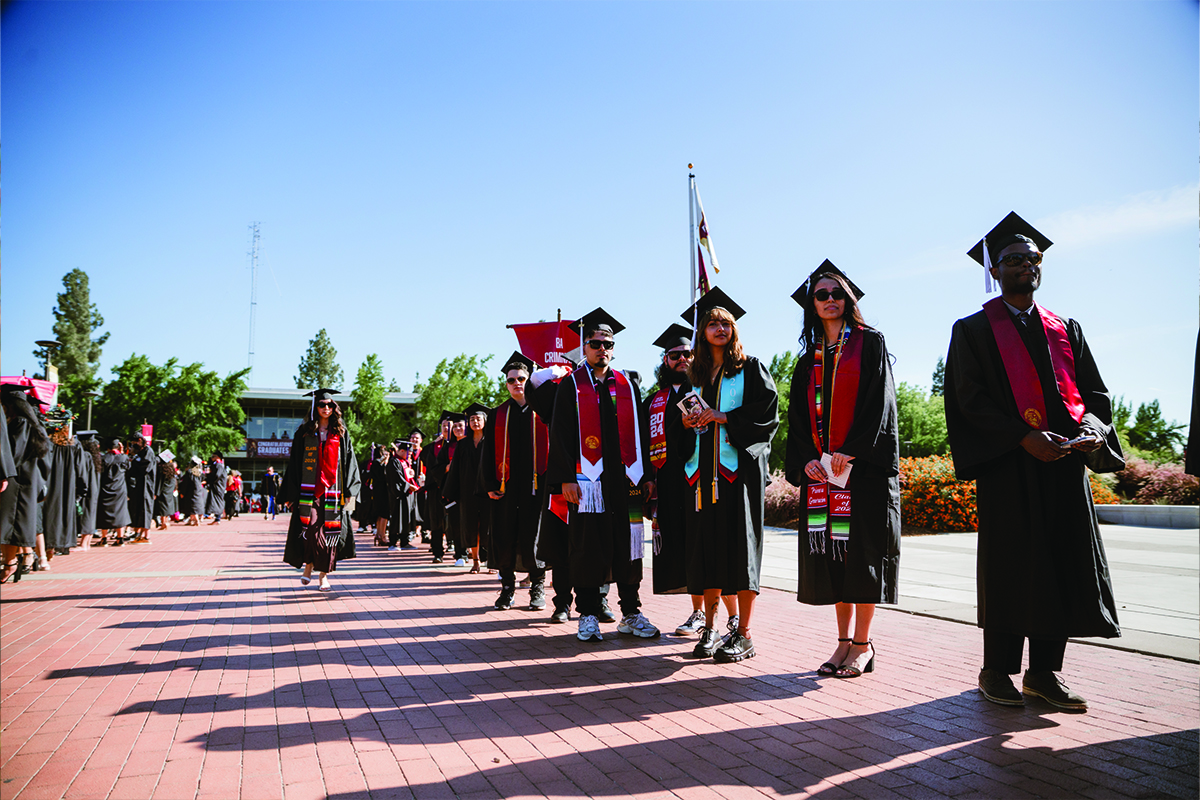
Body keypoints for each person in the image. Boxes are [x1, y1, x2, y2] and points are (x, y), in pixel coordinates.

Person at [945, 212, 1123, 711]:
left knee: (1062, 561)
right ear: (994, 270)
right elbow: (968, 400)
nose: (1026, 264)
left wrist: (1093, 428)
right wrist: (1023, 438)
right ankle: (996, 670)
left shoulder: (1066, 328)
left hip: (1063, 465)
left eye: (1033, 258)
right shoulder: (974, 330)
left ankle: (1044, 673)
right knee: (1011, 566)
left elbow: (1094, 393)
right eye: (1014, 259)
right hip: (1010, 466)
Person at [785, 262, 900, 678]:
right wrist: (808, 460)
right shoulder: (806, 362)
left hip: (861, 472)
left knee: (861, 557)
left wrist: (850, 452)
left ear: (848, 300)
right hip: (823, 477)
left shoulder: (870, 344)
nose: (830, 299)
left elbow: (880, 403)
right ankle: (841, 644)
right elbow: (797, 421)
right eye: (822, 295)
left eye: (837, 293)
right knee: (835, 558)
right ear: (812, 306)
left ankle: (863, 644)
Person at [676, 289, 779, 662]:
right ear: (702, 332)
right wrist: (688, 423)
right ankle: (710, 628)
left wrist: (723, 417)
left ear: (734, 330)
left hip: (738, 479)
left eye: (725, 323)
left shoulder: (751, 368)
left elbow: (768, 415)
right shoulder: (697, 376)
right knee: (707, 555)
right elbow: (685, 429)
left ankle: (745, 633)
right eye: (712, 324)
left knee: (740, 555)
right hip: (702, 479)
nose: (719, 329)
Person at [546, 307, 659, 642]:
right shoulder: (571, 387)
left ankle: (631, 612)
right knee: (588, 546)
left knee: (628, 545)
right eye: (596, 343)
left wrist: (648, 474)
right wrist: (565, 477)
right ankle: (589, 614)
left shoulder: (627, 384)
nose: (602, 349)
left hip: (626, 481)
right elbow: (562, 434)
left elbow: (641, 433)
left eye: (608, 343)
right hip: (587, 482)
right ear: (584, 347)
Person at [644, 324, 740, 638]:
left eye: (687, 353)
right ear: (665, 360)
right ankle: (699, 613)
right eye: (674, 355)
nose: (682, 359)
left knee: (711, 546)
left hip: (702, 478)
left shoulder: (702, 386)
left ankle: (733, 616)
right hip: (669, 482)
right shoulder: (654, 399)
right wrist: (648, 477)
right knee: (688, 549)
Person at [481, 352, 549, 611]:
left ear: (529, 379)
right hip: (505, 488)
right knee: (505, 537)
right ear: (506, 384)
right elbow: (487, 455)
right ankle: (507, 588)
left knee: (535, 538)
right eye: (511, 380)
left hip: (536, 487)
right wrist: (489, 484)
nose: (517, 383)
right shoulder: (497, 415)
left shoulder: (542, 410)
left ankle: (537, 587)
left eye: (521, 378)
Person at [281, 388, 361, 592]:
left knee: (330, 532)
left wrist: (351, 491)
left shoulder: (341, 433)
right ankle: (309, 565)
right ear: (315, 407)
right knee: (311, 529)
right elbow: (295, 463)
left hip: (333, 491)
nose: (326, 408)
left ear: (334, 408)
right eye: (322, 405)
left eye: (330, 405)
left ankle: (323, 575)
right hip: (310, 490)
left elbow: (350, 462)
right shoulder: (304, 432)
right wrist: (291, 494)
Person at [0, 385, 51, 580]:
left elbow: (15, 452)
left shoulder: (20, 422)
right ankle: (14, 562)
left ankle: (9, 564)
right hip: (25, 479)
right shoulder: (30, 422)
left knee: (10, 525)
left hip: (17, 480)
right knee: (11, 526)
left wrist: (4, 470)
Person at [442, 403, 491, 572]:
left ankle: (491, 561)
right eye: (472, 419)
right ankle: (476, 561)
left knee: (489, 526)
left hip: (488, 491)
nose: (475, 422)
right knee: (471, 527)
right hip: (467, 492)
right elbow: (454, 470)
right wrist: (450, 492)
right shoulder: (463, 445)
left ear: (485, 420)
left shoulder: (491, 442)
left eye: (478, 418)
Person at [421, 413, 454, 563]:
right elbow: (427, 462)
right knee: (436, 522)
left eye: (449, 425)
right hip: (436, 488)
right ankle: (437, 552)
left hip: (453, 488)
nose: (446, 428)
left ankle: (458, 549)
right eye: (444, 426)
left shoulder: (458, 444)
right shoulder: (434, 447)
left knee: (454, 521)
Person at [439, 414, 468, 566]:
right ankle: (460, 554)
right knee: (456, 523)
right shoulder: (447, 448)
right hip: (455, 491)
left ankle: (481, 554)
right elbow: (436, 469)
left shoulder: (475, 443)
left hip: (472, 490)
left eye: (460, 426)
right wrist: (446, 468)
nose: (457, 429)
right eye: (454, 426)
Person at [95, 437, 131, 547]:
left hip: (105, 489)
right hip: (119, 489)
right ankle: (120, 538)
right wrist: (123, 451)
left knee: (104, 513)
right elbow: (129, 468)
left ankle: (104, 539)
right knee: (120, 512)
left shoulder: (103, 458)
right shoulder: (123, 458)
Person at [126, 433, 157, 543]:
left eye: (134, 442)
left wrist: (133, 463)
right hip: (139, 484)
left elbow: (145, 467)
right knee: (138, 508)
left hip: (146, 484)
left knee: (145, 508)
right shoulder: (140, 451)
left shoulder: (148, 451)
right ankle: (138, 534)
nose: (133, 444)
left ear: (139, 440)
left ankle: (146, 536)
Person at [75, 431, 102, 549]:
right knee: (91, 513)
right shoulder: (96, 456)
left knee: (86, 513)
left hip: (87, 488)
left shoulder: (85, 455)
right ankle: (87, 543)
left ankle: (83, 544)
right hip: (94, 487)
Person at [371, 446, 391, 545]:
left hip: (377, 490)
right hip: (383, 490)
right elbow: (384, 476)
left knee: (379, 514)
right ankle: (382, 536)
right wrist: (386, 463)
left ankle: (379, 534)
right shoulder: (380, 464)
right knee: (384, 513)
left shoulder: (373, 463)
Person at [154, 453, 178, 530]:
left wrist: (156, 493)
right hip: (169, 490)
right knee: (167, 507)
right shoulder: (171, 468)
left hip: (163, 490)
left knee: (162, 508)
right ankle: (166, 522)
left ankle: (163, 523)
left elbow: (160, 482)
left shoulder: (162, 468)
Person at [180, 456, 206, 526]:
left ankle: (196, 520)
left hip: (190, 491)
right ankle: (191, 520)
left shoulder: (189, 472)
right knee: (196, 505)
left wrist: (182, 492)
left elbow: (185, 483)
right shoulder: (200, 473)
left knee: (191, 506)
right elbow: (204, 480)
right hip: (199, 490)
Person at [205, 452, 227, 525]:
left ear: (217, 457)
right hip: (218, 486)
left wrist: (208, 479)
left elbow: (216, 475)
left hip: (218, 486)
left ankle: (217, 519)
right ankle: (217, 518)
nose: (211, 458)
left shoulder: (219, 465)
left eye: (213, 456)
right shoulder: (219, 465)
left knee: (217, 501)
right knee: (216, 501)